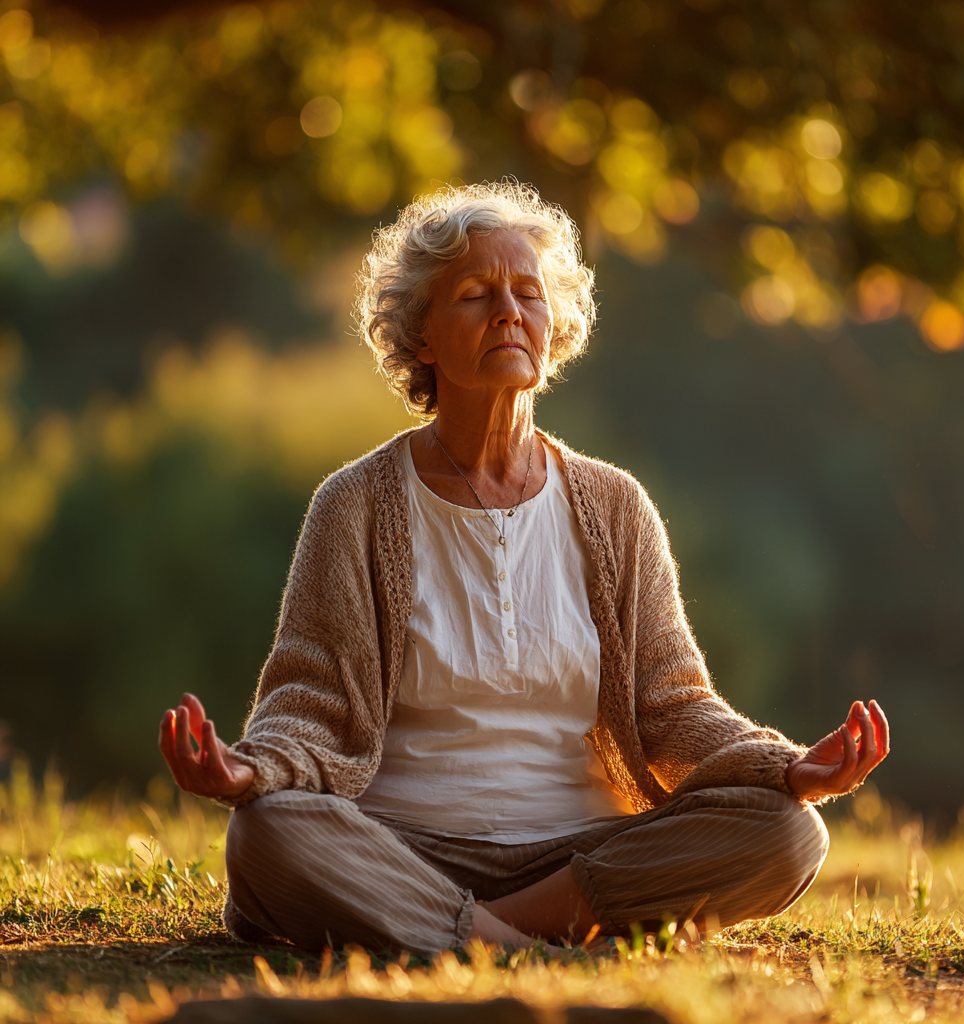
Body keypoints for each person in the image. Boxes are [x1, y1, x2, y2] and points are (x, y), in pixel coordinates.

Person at [158, 182, 889, 956]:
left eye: (528, 294)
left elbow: (673, 707)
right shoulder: (355, 505)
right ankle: (513, 938)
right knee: (268, 832)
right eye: (475, 294)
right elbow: (313, 698)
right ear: (423, 336)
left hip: (582, 854)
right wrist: (253, 772)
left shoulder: (615, 507)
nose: (509, 311)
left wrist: (787, 768)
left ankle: (476, 934)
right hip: (400, 845)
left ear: (553, 327)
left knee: (787, 833)